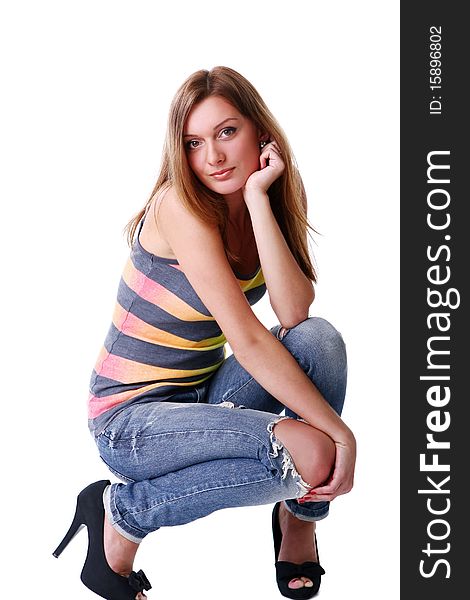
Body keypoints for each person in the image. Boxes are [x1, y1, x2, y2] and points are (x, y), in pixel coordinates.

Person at [53, 66, 356, 600]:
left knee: (319, 342)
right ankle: (121, 517)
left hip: (201, 396)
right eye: (194, 143)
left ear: (259, 132)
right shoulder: (180, 206)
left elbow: (293, 313)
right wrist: (340, 433)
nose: (212, 157)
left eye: (226, 132)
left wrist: (260, 199)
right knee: (313, 453)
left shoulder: (263, 200)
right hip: (130, 419)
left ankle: (299, 522)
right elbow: (247, 338)